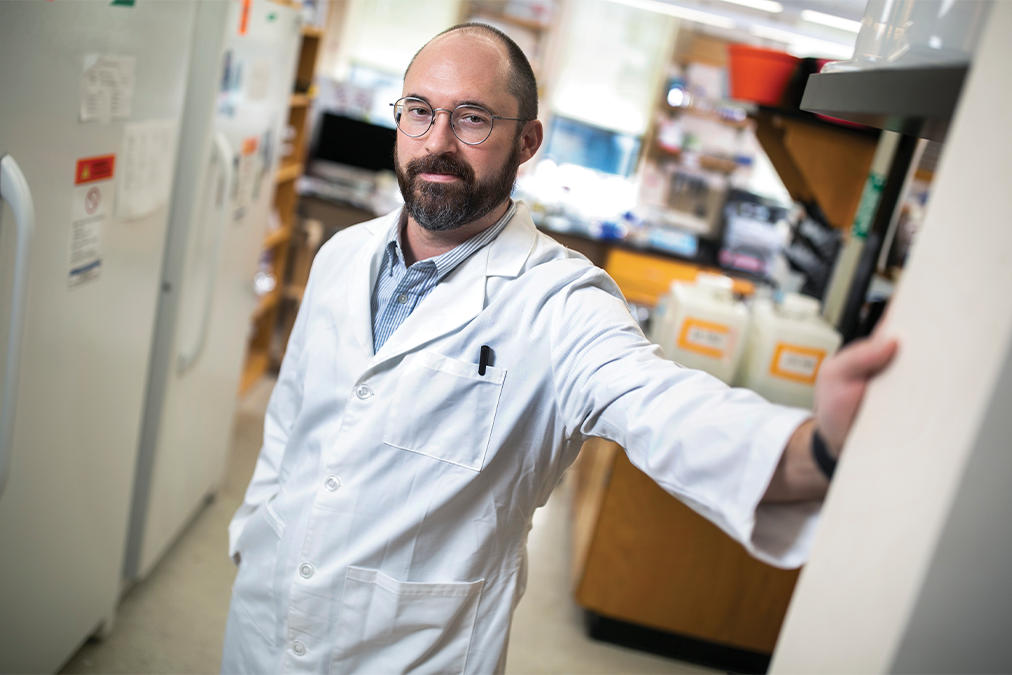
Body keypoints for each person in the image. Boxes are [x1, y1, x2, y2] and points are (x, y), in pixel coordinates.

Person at [220, 23, 898, 675]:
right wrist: (254, 533)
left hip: (408, 653)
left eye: (474, 118)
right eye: (420, 111)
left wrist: (819, 449)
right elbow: (292, 422)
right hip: (263, 620)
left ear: (528, 140)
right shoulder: (343, 255)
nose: (438, 142)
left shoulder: (562, 302)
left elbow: (658, 404)